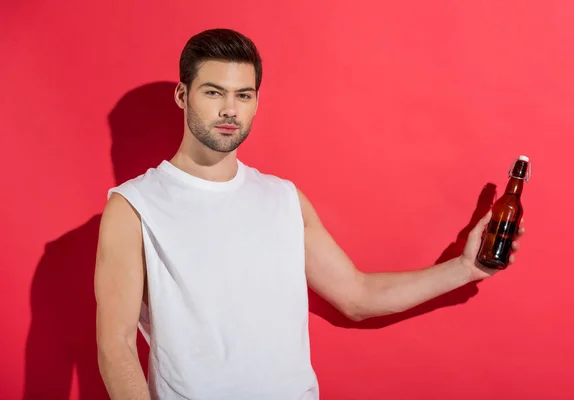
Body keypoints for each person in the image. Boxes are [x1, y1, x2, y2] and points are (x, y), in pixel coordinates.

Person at [94, 28, 525, 400]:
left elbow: (356, 296)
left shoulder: (283, 199)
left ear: (256, 102)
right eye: (213, 92)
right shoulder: (135, 207)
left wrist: (465, 268)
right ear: (183, 94)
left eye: (243, 95)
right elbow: (116, 347)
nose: (229, 109)